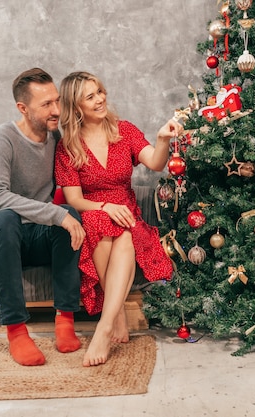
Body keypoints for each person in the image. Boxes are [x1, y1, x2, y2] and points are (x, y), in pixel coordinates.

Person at [55, 71, 183, 366]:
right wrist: (103, 206)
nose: (100, 99)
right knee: (101, 224)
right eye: (91, 96)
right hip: (93, 212)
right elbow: (74, 199)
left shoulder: (124, 130)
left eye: (100, 91)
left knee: (124, 231)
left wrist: (162, 138)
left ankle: (105, 325)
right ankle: (118, 313)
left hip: (127, 214)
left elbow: (156, 162)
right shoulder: (67, 147)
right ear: (76, 107)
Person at [0, 68, 86, 366]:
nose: (56, 110)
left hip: (32, 237)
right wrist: (54, 213)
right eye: (46, 104)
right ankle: (17, 332)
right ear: (23, 108)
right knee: (7, 218)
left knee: (70, 215)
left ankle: (65, 320)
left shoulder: (55, 137)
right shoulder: (2, 137)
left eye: (57, 101)